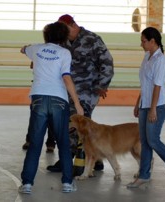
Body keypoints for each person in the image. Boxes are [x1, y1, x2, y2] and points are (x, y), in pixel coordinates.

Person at [18, 22, 84, 194]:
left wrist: (26, 49)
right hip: (59, 100)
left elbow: (23, 49)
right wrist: (76, 103)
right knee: (62, 142)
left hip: (38, 99)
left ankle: (27, 184)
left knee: (35, 143)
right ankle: (67, 183)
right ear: (63, 37)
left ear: (46, 35)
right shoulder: (64, 53)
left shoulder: (36, 49)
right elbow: (66, 78)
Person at [46, 14, 114, 173]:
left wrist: (102, 85)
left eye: (63, 28)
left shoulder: (92, 39)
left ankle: (76, 160)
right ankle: (93, 160)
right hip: (64, 91)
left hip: (86, 92)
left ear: (72, 25)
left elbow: (107, 62)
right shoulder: (61, 41)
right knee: (68, 125)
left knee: (81, 126)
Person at [127, 27, 165, 188]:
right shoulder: (147, 57)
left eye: (144, 41)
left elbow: (157, 86)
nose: (141, 44)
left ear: (153, 41)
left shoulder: (160, 60)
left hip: (157, 106)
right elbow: (145, 83)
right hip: (145, 104)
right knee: (145, 142)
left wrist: (152, 109)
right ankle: (144, 175)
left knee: (153, 140)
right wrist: (138, 103)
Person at [22, 62, 56, 153]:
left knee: (52, 117)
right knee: (35, 116)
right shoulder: (40, 50)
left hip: (54, 89)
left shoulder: (61, 52)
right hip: (39, 88)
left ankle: (51, 143)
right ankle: (30, 140)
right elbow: (32, 65)